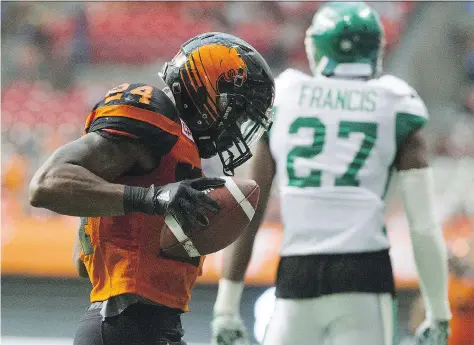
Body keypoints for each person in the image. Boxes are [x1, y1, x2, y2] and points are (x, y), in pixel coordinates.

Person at [211, 3, 451, 345]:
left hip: (297, 271)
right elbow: (423, 225)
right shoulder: (396, 101)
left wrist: (225, 307)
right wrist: (438, 312)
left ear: (319, 46)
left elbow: (249, 208)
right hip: (364, 271)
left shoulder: (286, 95)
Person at [28, 32, 275, 345]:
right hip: (125, 323)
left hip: (150, 326)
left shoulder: (178, 143)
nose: (236, 124)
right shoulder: (151, 111)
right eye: (235, 108)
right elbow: (46, 184)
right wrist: (152, 198)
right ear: (205, 89)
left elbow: (82, 259)